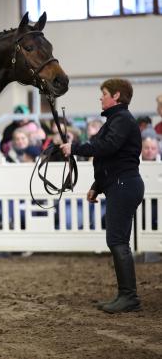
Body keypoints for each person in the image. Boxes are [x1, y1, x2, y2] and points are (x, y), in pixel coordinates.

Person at [60, 78, 143, 314]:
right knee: (117, 240)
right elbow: (110, 156)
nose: (101, 97)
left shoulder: (121, 120)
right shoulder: (118, 120)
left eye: (104, 93)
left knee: (117, 241)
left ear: (116, 96)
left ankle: (129, 297)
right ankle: (125, 295)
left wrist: (74, 148)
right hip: (121, 183)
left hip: (123, 185)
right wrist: (97, 185)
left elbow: (107, 148)